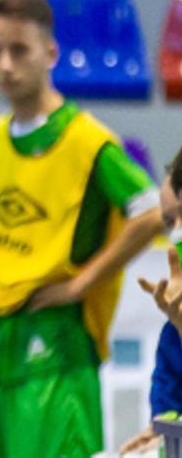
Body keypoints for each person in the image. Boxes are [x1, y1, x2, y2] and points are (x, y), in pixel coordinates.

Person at [0, 0, 164, 457]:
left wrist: (84, 283)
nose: (5, 65)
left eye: (19, 50)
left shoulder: (87, 139)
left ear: (50, 53)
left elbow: (150, 210)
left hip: (56, 341)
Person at [121, 146, 182, 456]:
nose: (178, 235)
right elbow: (169, 410)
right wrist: (160, 434)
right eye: (170, 222)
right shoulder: (172, 331)